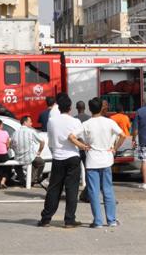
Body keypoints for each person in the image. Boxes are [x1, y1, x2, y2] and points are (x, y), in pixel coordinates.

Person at [39, 93, 90, 228]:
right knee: (72, 189)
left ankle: (46, 218)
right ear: (70, 107)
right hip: (72, 157)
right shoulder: (75, 122)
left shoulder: (52, 121)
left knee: (54, 189)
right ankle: (69, 220)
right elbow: (79, 139)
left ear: (58, 107)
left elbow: (50, 139)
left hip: (57, 158)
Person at [81, 97, 126, 228]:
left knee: (94, 192)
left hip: (92, 160)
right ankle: (111, 220)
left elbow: (72, 136)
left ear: (89, 109)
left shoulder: (86, 124)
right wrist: (114, 148)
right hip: (106, 159)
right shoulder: (109, 122)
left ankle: (98, 221)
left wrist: (83, 145)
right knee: (108, 190)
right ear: (102, 108)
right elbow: (122, 135)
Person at [11, 115, 46, 187]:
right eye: (30, 122)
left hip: (18, 158)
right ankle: (33, 180)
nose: (31, 123)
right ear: (25, 122)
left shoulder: (15, 133)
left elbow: (11, 145)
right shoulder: (31, 131)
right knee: (41, 162)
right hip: (30, 157)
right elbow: (42, 141)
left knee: (17, 167)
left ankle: (23, 181)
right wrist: (39, 152)